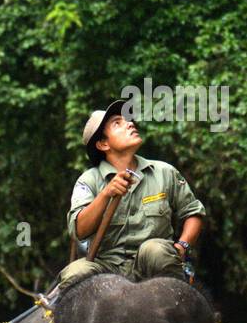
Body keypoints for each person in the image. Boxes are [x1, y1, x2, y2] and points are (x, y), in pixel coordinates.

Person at [58, 99, 205, 290]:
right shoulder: (88, 181)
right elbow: (79, 231)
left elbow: (193, 212)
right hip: (106, 267)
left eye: (128, 119)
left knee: (155, 250)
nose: (130, 123)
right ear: (103, 144)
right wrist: (106, 194)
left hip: (153, 265)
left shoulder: (164, 172)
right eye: (117, 123)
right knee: (75, 272)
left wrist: (182, 247)